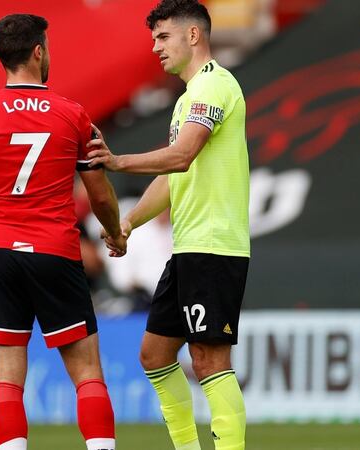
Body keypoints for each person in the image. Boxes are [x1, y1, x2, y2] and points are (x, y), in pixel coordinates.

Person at [0, 14, 125, 450]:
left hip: (0, 252)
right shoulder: (74, 115)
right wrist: (115, 233)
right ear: (38, 51)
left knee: (7, 382)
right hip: (56, 251)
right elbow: (98, 195)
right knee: (86, 375)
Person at [88, 1, 250, 449]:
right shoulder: (187, 98)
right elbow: (173, 174)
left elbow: (182, 155)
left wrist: (117, 161)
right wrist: (129, 222)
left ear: (193, 36)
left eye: (163, 37)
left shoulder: (215, 85)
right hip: (190, 247)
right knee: (155, 356)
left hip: (215, 246)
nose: (156, 48)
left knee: (209, 359)